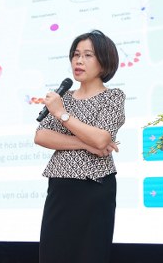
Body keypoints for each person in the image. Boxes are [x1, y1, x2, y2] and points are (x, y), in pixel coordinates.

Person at [34, 30, 125, 263]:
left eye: (87, 55)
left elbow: (101, 139)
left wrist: (62, 115)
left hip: (95, 187)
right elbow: (41, 136)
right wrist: (84, 144)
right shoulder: (63, 97)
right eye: (76, 55)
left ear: (104, 62)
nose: (79, 61)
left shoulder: (112, 97)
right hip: (60, 187)